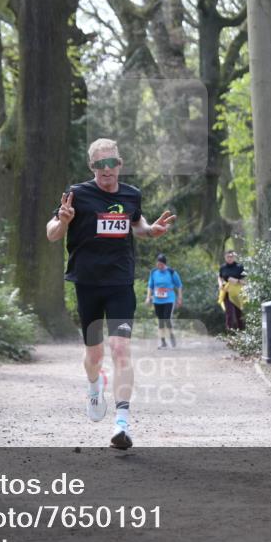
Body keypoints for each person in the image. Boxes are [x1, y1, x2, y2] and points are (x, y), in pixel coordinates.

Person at [46, 138, 176, 450]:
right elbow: (52, 233)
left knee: (120, 350)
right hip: (87, 284)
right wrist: (62, 221)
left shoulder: (132, 195)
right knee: (95, 356)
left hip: (120, 284)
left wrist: (149, 231)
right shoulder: (77, 195)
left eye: (112, 163)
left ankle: (121, 423)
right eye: (100, 165)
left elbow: (136, 224)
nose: (107, 170)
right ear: (92, 168)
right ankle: (94, 385)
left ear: (120, 165)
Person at [145, 253, 183, 349]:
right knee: (161, 320)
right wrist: (148, 297)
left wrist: (179, 298)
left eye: (161, 264)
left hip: (169, 299)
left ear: (165, 264)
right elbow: (150, 286)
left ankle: (171, 335)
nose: (159, 266)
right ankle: (163, 342)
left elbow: (179, 285)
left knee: (166, 318)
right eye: (158, 264)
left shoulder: (171, 272)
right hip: (157, 300)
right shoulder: (153, 272)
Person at [217, 250, 247, 331]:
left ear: (234, 257)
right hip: (226, 293)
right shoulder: (223, 267)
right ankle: (229, 333)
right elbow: (220, 277)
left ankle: (241, 333)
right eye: (228, 257)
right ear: (225, 257)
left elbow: (246, 281)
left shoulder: (240, 267)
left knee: (239, 313)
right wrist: (220, 284)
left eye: (231, 257)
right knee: (229, 313)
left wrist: (236, 281)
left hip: (237, 294)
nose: (230, 258)